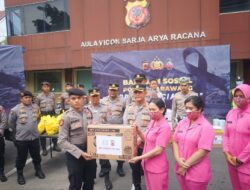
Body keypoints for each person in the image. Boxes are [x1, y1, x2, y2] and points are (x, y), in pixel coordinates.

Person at [172, 96, 214, 190]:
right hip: (180, 167)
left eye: (191, 108)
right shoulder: (182, 122)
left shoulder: (206, 127)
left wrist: (185, 166)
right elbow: (175, 141)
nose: (187, 111)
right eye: (186, 108)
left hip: (197, 172)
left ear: (200, 109)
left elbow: (203, 150)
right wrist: (178, 159)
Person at [58, 88, 96, 190]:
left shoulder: (89, 112)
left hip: (90, 151)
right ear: (68, 101)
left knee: (90, 181)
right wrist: (80, 153)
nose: (76, 100)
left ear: (83, 99)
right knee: (75, 183)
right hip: (74, 154)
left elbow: (95, 130)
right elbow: (61, 141)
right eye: (73, 98)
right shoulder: (66, 117)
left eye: (79, 98)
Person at [129, 98, 171, 190]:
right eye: (150, 109)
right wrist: (138, 131)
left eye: (154, 110)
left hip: (157, 167)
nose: (151, 112)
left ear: (162, 109)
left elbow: (158, 150)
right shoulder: (153, 121)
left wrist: (139, 158)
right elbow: (147, 139)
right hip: (147, 164)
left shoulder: (165, 127)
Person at [8, 90, 45, 185]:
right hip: (21, 139)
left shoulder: (36, 107)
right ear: (21, 99)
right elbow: (11, 123)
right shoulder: (15, 110)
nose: (28, 99)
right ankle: (20, 175)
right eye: (26, 97)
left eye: (30, 97)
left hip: (34, 138)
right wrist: (16, 135)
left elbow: (38, 119)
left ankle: (38, 170)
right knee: (21, 158)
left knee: (36, 156)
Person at [223, 84, 250, 190]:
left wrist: (240, 159)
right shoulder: (231, 113)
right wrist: (226, 152)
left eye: (241, 96)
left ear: (248, 97)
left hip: (246, 163)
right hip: (231, 161)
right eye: (236, 96)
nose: (237, 99)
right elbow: (226, 135)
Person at [123, 84, 151, 190]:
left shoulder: (150, 108)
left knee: (146, 166)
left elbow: (152, 127)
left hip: (145, 144)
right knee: (134, 166)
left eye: (140, 92)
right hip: (132, 144)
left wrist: (141, 137)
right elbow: (125, 124)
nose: (137, 94)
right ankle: (137, 184)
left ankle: (149, 183)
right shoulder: (129, 107)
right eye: (135, 92)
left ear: (145, 93)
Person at [86, 88, 112, 190]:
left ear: (99, 96)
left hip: (103, 137)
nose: (95, 98)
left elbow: (110, 122)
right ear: (89, 97)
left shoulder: (106, 108)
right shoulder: (85, 109)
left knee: (105, 160)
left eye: (97, 96)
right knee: (90, 161)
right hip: (89, 138)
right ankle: (91, 178)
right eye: (93, 96)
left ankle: (107, 178)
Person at [101, 83, 126, 178]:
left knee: (120, 150)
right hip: (105, 129)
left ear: (117, 91)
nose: (112, 92)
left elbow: (126, 114)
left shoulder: (123, 101)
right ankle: (104, 168)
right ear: (108, 90)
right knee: (103, 149)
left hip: (119, 129)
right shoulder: (103, 100)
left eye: (114, 90)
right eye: (111, 90)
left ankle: (120, 167)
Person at [36, 81, 61, 156]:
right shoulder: (39, 96)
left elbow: (55, 105)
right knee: (42, 132)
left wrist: (57, 113)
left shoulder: (52, 95)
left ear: (49, 87)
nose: (46, 88)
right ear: (42, 87)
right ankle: (44, 149)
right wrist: (37, 115)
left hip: (51, 113)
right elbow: (36, 106)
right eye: (44, 86)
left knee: (54, 129)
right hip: (43, 115)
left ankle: (55, 145)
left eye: (47, 86)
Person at [0, 105, 7, 182]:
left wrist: (0, 131)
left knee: (0, 156)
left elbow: (4, 121)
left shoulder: (0, 108)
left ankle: (1, 173)